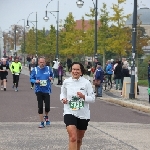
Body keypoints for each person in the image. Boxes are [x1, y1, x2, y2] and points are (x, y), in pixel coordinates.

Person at [60, 62, 95, 150]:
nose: (75, 71)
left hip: (83, 114)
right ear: (71, 70)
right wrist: (63, 99)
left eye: (77, 70)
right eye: (73, 69)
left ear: (81, 71)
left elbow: (93, 98)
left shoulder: (86, 83)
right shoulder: (66, 82)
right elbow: (62, 94)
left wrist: (83, 97)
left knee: (79, 139)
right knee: (73, 137)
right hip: (69, 111)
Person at [30, 56, 53, 128]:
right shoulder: (35, 70)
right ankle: (41, 122)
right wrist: (35, 81)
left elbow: (52, 75)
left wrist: (51, 78)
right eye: (40, 62)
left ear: (45, 62)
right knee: (40, 106)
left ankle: (46, 116)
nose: (42, 63)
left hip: (46, 90)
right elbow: (31, 78)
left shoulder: (48, 69)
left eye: (43, 62)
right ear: (38, 62)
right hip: (38, 90)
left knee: (47, 107)